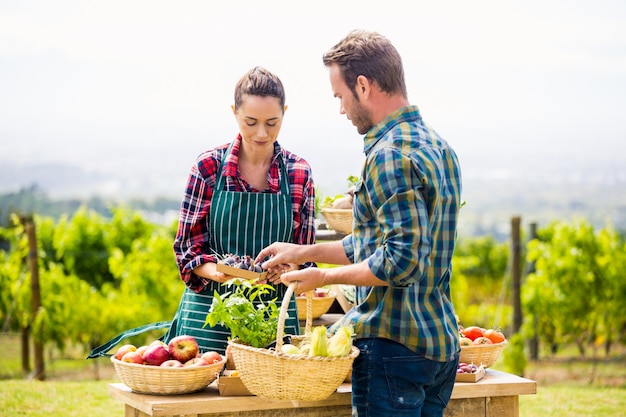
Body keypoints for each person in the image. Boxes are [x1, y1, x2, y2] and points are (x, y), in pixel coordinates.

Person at [256, 30, 462, 417]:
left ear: (363, 86)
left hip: (392, 349)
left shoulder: (388, 156)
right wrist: (307, 253)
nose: (341, 109)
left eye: (340, 96)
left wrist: (325, 279)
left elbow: (400, 263)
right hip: (438, 347)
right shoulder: (437, 146)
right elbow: (378, 243)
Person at [167, 66, 317, 355]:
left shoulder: (299, 173)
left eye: (272, 122)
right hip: (209, 316)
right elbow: (188, 249)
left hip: (274, 319)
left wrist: (290, 268)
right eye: (251, 122)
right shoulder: (208, 168)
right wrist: (219, 272)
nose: (262, 133)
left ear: (285, 112)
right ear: (234, 112)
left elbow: (307, 255)